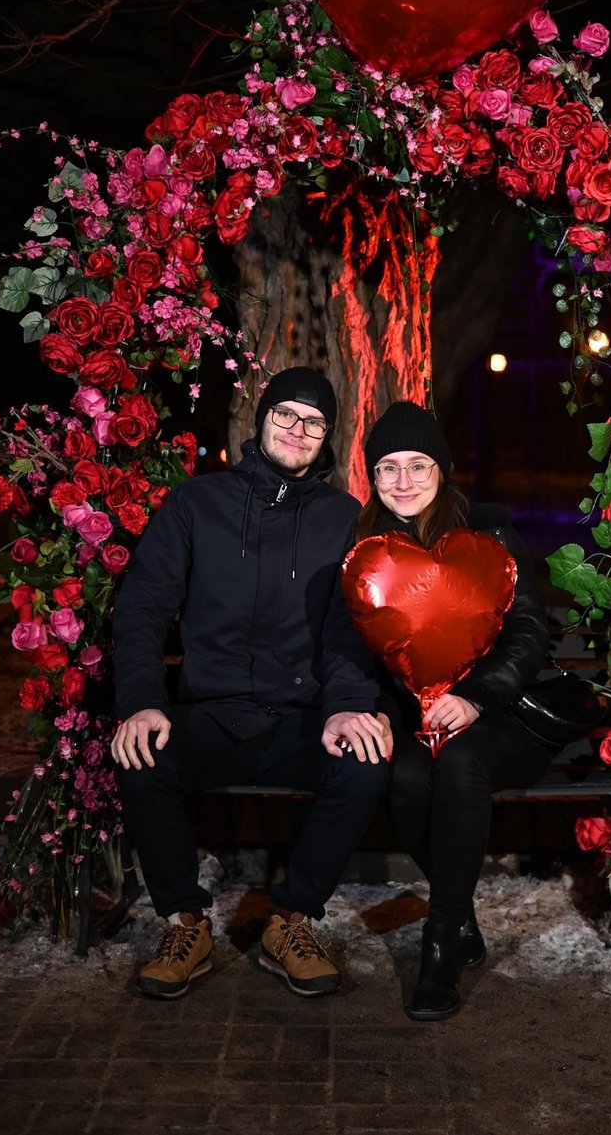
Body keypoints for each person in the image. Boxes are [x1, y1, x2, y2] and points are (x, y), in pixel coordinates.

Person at [110, 366, 392, 1000]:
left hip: (299, 718)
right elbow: (142, 607)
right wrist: (142, 703)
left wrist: (347, 707)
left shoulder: (345, 519)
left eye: (314, 422)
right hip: (212, 714)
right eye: (286, 414)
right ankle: (185, 924)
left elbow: (350, 629)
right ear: (261, 420)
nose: (298, 429)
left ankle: (289, 922)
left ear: (328, 439)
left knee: (366, 763)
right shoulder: (196, 503)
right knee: (140, 755)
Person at [348, 401, 551, 1021]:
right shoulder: (363, 550)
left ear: (442, 469)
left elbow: (529, 634)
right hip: (412, 718)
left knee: (459, 766)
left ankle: (438, 949)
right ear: (372, 478)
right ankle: (459, 913)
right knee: (406, 777)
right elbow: (354, 648)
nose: (403, 482)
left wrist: (476, 696)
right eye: (388, 469)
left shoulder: (488, 535)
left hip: (496, 714)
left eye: (418, 466)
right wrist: (375, 709)